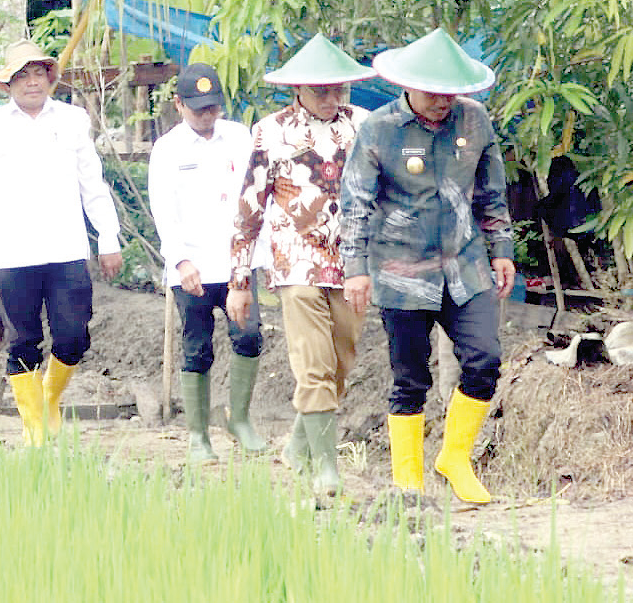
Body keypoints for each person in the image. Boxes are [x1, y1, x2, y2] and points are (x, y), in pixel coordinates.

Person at [340, 29, 514, 505]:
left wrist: (502, 249)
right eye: (434, 93)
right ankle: (408, 481)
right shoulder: (378, 129)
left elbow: (492, 193)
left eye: (451, 92)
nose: (443, 101)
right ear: (409, 85)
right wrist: (354, 267)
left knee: (484, 359)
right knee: (409, 378)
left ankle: (454, 458)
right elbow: (354, 203)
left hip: (466, 264)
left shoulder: (475, 121)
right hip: (402, 270)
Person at [228, 33, 376, 497]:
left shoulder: (365, 126)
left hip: (353, 262)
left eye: (338, 90)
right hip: (296, 262)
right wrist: (239, 280)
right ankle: (327, 471)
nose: (331, 99)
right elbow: (250, 207)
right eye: (320, 91)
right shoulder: (270, 131)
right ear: (297, 90)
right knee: (312, 364)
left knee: (340, 362)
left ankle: (297, 445)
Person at [0, 40, 124, 446]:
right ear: (8, 83)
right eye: (21, 75)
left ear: (50, 78)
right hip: (14, 255)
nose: (31, 82)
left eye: (38, 74)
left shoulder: (72, 120)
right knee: (23, 340)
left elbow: (93, 184)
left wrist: (108, 237)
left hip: (67, 248)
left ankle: (49, 396)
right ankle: (36, 431)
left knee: (73, 336)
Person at [148, 64, 263, 463]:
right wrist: (180, 261)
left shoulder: (240, 138)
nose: (206, 116)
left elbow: (253, 198)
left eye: (212, 108)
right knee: (197, 347)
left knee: (248, 337)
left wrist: (247, 262)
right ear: (178, 104)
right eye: (197, 110)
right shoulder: (167, 149)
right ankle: (198, 436)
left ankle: (240, 418)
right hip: (191, 267)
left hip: (237, 264)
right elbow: (164, 211)